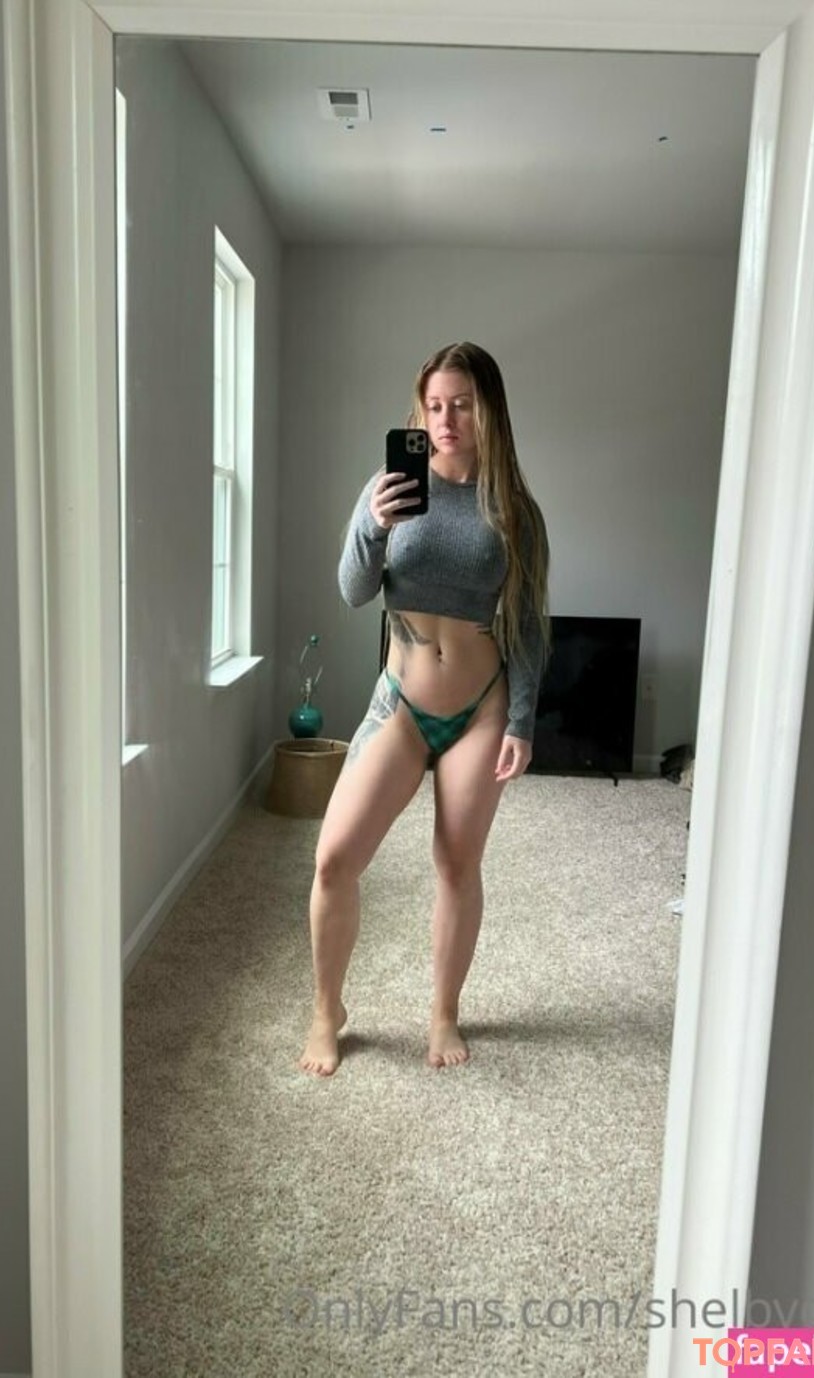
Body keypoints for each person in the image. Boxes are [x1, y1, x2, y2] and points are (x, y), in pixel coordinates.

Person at [298, 342, 550, 1077]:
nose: (445, 419)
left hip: (480, 708)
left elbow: (528, 623)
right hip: (400, 704)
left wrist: (522, 720)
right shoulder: (390, 487)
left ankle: (443, 1012)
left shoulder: (515, 512)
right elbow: (353, 590)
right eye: (434, 405)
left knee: (457, 862)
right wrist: (374, 526)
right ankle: (327, 1011)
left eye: (461, 405)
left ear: (488, 410)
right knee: (333, 860)